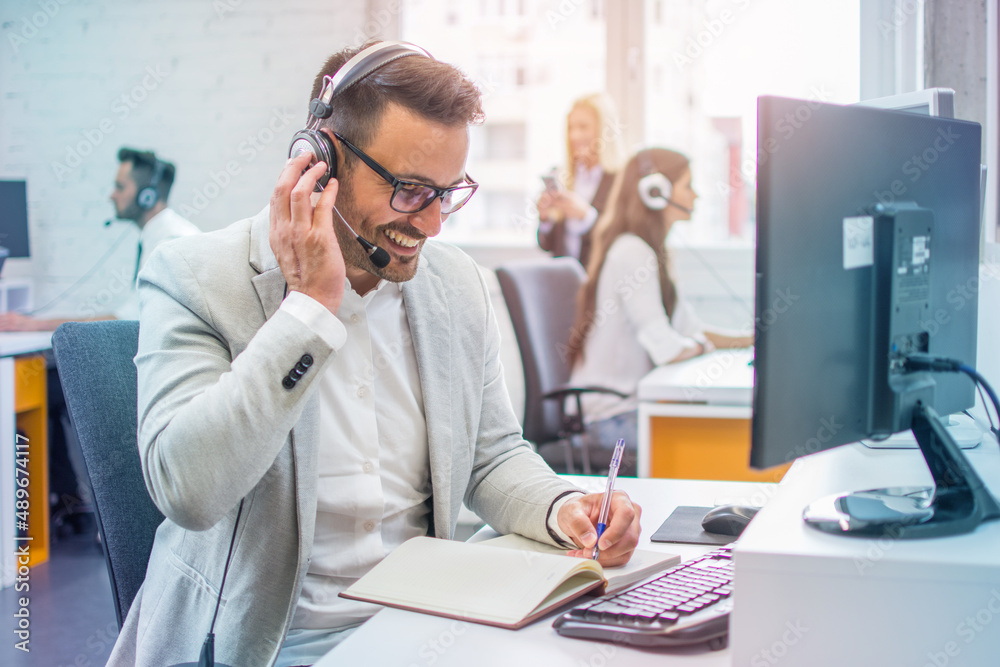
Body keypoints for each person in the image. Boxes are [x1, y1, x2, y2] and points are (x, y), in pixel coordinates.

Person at [108, 41, 642, 667]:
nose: (434, 224)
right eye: (412, 190)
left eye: (449, 192)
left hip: (430, 629)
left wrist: (561, 507)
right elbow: (188, 490)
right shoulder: (197, 279)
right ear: (320, 162)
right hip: (274, 644)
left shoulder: (454, 286)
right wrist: (308, 309)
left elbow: (489, 455)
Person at [567, 148, 753, 459]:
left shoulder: (653, 252)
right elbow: (666, 348)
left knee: (728, 434)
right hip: (608, 419)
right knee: (721, 444)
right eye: (688, 186)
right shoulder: (632, 252)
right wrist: (704, 347)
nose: (696, 196)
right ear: (656, 192)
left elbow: (689, 330)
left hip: (629, 410)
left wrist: (751, 340)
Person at [0, 147, 199, 330]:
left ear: (147, 196)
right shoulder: (162, 235)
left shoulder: (169, 243)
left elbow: (129, 321)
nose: (112, 196)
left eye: (120, 187)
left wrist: (33, 325)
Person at [536, 93, 623, 266]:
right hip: (564, 282)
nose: (574, 136)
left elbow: (620, 242)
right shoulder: (560, 175)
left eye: (583, 127)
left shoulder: (621, 180)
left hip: (599, 283)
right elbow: (546, 245)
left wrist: (586, 216)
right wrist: (546, 219)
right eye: (570, 128)